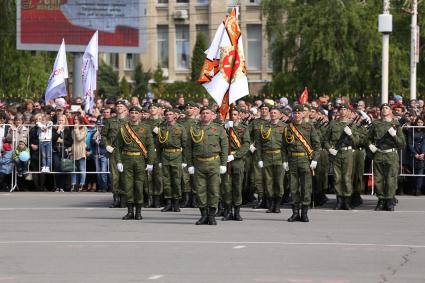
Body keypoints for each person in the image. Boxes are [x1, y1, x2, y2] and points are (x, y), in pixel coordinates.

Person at [187, 106, 228, 225]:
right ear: (200, 115)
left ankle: (211, 215)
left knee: (214, 190)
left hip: (214, 162)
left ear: (212, 115)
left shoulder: (219, 129)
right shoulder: (194, 128)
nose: (205, 115)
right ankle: (203, 215)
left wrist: (223, 164)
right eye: (203, 113)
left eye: (207, 113)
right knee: (200, 190)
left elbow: (224, 147)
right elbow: (189, 148)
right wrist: (190, 164)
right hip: (199, 163)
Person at [114, 106, 155, 220]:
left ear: (140, 115)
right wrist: (118, 161)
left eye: (136, 113)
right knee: (128, 186)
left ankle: (138, 212)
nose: (134, 115)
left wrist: (150, 162)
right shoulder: (123, 128)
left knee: (139, 186)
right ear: (129, 114)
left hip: (140, 160)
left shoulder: (146, 128)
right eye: (132, 113)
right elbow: (118, 147)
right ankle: (130, 212)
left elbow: (150, 146)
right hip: (127, 159)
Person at [283, 105, 321, 222]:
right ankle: (295, 213)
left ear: (303, 114)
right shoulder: (288, 128)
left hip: (305, 160)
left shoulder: (309, 127)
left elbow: (317, 145)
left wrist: (315, 159)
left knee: (306, 187)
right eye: (295, 113)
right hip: (292, 160)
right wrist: (284, 161)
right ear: (293, 114)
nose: (297, 114)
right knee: (294, 187)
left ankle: (304, 213)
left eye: (299, 113)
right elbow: (283, 147)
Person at [368, 103, 406, 211]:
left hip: (391, 154)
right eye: (382, 108)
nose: (384, 110)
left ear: (390, 111)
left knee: (391, 178)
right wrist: (370, 145)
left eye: (386, 108)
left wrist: (394, 135)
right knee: (378, 178)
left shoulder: (396, 124)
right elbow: (368, 138)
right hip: (379, 153)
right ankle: (381, 200)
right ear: (380, 111)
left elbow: (402, 143)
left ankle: (389, 200)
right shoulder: (375, 124)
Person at [324, 104, 359, 210]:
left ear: (348, 111)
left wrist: (351, 135)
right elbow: (325, 140)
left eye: (345, 109)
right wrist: (330, 149)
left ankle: (347, 201)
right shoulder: (333, 124)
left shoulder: (352, 125)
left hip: (347, 153)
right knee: (337, 177)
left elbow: (357, 142)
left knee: (347, 177)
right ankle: (339, 201)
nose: (343, 111)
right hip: (336, 153)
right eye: (341, 110)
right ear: (338, 112)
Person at [221, 107, 250, 221]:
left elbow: (246, 144)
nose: (233, 116)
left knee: (237, 187)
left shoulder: (243, 128)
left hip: (237, 161)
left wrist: (235, 155)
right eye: (231, 114)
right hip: (226, 160)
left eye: (235, 114)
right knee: (226, 187)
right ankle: (228, 211)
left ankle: (237, 211)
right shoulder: (224, 128)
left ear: (239, 116)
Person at [256, 106, 286, 213]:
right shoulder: (264, 126)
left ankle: (277, 205)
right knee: (268, 182)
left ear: (279, 114)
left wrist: (285, 160)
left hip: (279, 157)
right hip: (267, 156)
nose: (273, 114)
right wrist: (259, 159)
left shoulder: (284, 127)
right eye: (272, 112)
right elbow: (259, 145)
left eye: (275, 113)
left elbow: (286, 145)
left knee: (279, 182)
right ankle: (271, 205)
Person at [157, 108, 187, 212]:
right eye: (167, 114)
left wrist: (184, 160)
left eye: (171, 114)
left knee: (176, 180)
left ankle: (176, 203)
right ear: (165, 116)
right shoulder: (161, 128)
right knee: (166, 180)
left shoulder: (180, 128)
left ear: (174, 116)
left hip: (177, 154)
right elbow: (158, 145)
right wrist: (159, 159)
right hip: (165, 154)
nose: (169, 116)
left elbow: (185, 145)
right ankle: (168, 203)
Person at [101, 100, 129, 207]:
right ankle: (116, 198)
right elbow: (104, 135)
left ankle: (124, 199)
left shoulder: (129, 120)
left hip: (126, 152)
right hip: (113, 151)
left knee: (126, 176)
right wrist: (107, 145)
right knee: (115, 177)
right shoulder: (110, 121)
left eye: (121, 106)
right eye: (118, 106)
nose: (119, 107)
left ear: (125, 108)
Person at [51, 114, 72, 192]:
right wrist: (58, 131)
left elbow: (70, 142)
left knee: (63, 168)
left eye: (62, 120)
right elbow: (53, 139)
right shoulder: (54, 129)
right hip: (56, 151)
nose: (61, 122)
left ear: (65, 121)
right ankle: (57, 186)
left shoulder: (68, 130)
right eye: (59, 120)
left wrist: (62, 141)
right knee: (57, 167)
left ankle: (62, 187)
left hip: (64, 151)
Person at [407, 117, 425, 196]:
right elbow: (410, 144)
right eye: (418, 122)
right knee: (413, 172)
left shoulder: (424, 132)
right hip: (413, 154)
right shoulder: (411, 131)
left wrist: (423, 153)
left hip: (422, 154)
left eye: (421, 122)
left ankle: (418, 189)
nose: (419, 124)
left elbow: (424, 143)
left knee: (420, 172)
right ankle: (413, 188)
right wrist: (415, 154)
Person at [70, 115, 87, 192]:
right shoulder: (73, 129)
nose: (75, 121)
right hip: (74, 149)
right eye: (74, 119)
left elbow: (79, 138)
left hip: (81, 149)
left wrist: (76, 129)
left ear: (80, 120)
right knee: (73, 169)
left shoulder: (84, 128)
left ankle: (81, 184)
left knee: (81, 168)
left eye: (77, 119)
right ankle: (73, 184)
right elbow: (74, 139)